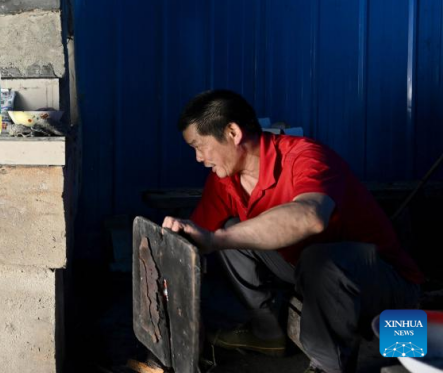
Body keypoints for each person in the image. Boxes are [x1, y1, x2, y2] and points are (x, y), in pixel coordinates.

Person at [162, 90, 423, 373]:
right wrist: (181, 313)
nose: (199, 158)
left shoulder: (307, 156)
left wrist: (215, 240)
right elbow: (194, 241)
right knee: (229, 230)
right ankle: (267, 332)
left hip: (382, 285)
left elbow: (311, 218)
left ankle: (328, 367)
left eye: (199, 146)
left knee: (316, 259)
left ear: (233, 132)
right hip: (307, 274)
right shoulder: (225, 179)